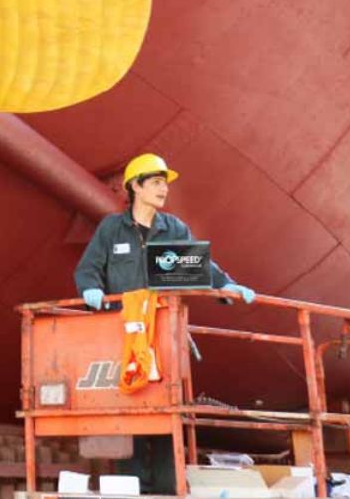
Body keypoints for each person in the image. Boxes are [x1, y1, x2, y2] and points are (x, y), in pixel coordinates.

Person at [74, 152, 256, 494]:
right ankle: (131, 490)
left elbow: (198, 267)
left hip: (162, 335)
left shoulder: (173, 228)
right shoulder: (112, 229)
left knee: (166, 414)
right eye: (156, 182)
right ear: (135, 186)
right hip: (124, 336)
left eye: (164, 184)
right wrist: (90, 290)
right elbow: (88, 268)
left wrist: (226, 285)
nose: (164, 189)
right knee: (129, 413)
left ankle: (168, 489)